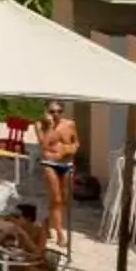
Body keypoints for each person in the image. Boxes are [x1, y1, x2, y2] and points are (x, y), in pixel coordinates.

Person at [38, 105, 80, 252]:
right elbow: (44, 145)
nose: (56, 114)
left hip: (67, 164)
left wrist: (68, 149)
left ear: (63, 111)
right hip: (50, 164)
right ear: (46, 112)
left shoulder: (70, 124)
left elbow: (76, 142)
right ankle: (60, 234)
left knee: (65, 199)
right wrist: (49, 127)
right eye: (52, 111)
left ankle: (47, 223)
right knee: (56, 199)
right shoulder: (40, 125)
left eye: (59, 111)